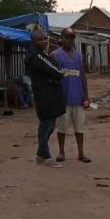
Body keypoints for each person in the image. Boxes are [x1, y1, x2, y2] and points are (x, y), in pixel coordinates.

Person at [25, 30, 65, 167]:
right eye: (39, 39)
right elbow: (58, 72)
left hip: (48, 94)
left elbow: (54, 71)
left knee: (50, 124)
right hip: (44, 95)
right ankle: (46, 157)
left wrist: (54, 76)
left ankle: (40, 154)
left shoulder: (42, 55)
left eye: (44, 39)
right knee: (45, 125)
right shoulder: (37, 57)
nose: (43, 41)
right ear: (33, 42)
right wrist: (56, 75)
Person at [52, 28, 91, 163]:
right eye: (67, 37)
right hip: (62, 100)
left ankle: (81, 153)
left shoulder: (79, 56)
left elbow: (83, 76)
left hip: (78, 99)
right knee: (61, 128)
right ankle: (61, 152)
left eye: (72, 38)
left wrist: (86, 96)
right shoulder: (55, 55)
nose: (70, 40)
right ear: (61, 38)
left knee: (79, 128)